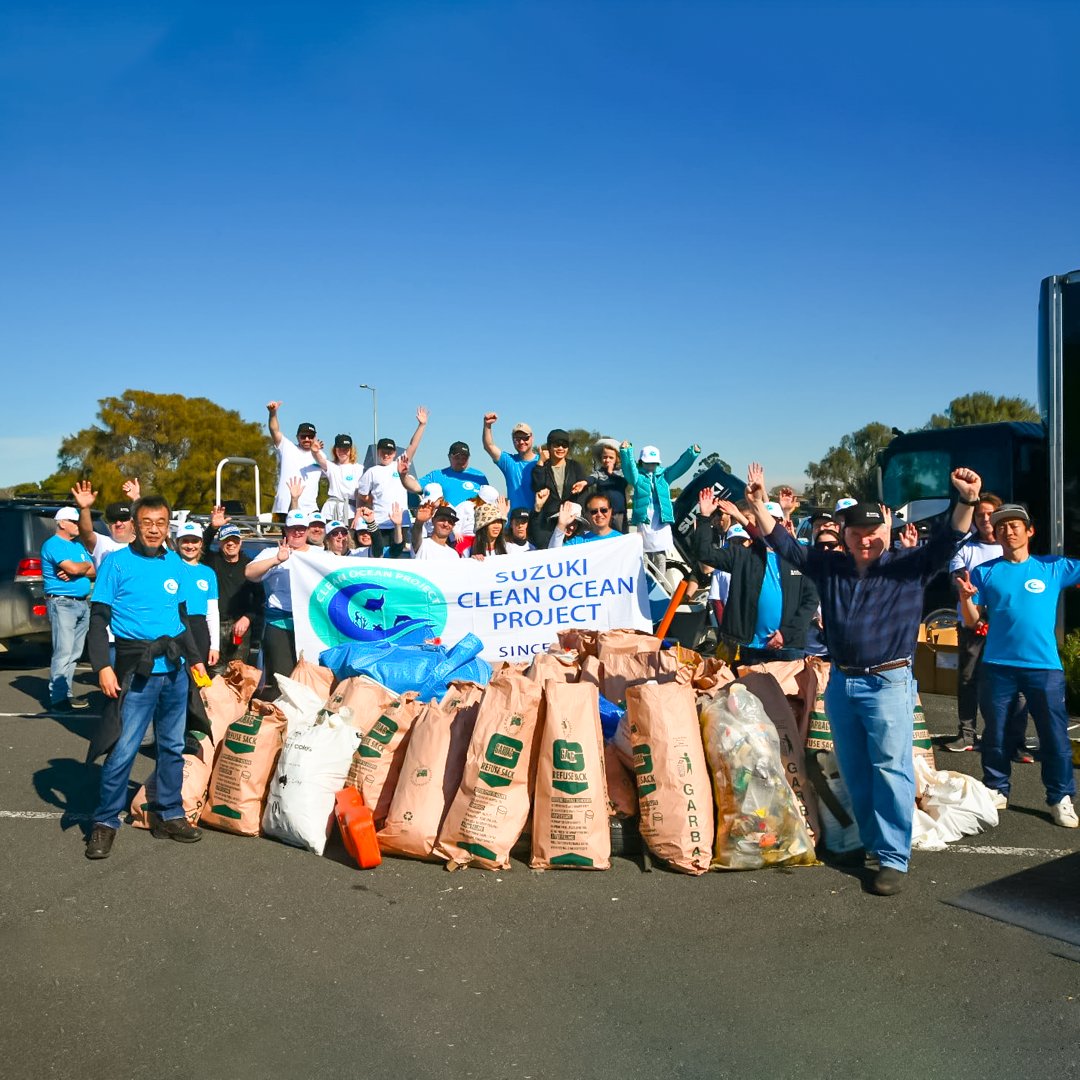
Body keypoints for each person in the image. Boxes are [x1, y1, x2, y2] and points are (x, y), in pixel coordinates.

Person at [743, 461, 980, 896]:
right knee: (856, 770)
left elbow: (949, 539)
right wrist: (759, 506)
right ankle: (873, 845)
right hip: (843, 684)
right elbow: (784, 544)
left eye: (872, 533)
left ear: (887, 530)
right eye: (856, 534)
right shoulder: (831, 567)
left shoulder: (910, 566)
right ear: (845, 535)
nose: (865, 540)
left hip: (888, 683)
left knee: (891, 770)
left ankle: (892, 856)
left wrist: (965, 500)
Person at [84, 494, 208, 859]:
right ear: (135, 525)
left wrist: (196, 660)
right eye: (147, 522)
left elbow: (182, 619)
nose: (154, 529)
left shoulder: (175, 564)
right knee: (123, 749)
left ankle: (168, 814)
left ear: (167, 525)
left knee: (172, 746)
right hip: (134, 668)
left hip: (175, 670)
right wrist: (101, 666)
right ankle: (105, 822)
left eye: (161, 523)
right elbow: (98, 618)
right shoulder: (116, 563)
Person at [956, 503, 1080, 827]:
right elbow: (971, 622)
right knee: (995, 733)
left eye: (1014, 526)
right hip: (998, 666)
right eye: (1001, 527)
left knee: (1054, 736)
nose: (1007, 532)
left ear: (1029, 531)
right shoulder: (985, 572)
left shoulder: (1052, 567)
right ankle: (997, 787)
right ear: (995, 534)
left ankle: (1060, 797)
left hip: (1045, 667)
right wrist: (965, 598)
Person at [946, 493, 1030, 756]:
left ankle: (1015, 741)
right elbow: (959, 580)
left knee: (1015, 684)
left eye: (989, 514)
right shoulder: (965, 548)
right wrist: (978, 614)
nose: (984, 519)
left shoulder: (1013, 546)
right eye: (979, 514)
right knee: (969, 679)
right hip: (972, 626)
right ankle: (967, 734)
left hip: (1007, 629)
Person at [694, 490, 818, 664]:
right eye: (764, 521)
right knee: (746, 692)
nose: (770, 526)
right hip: (750, 648)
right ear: (757, 525)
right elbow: (705, 554)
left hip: (789, 648)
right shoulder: (742, 555)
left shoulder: (800, 558)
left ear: (783, 523)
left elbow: (811, 600)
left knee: (789, 693)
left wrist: (786, 634)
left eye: (775, 521)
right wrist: (705, 517)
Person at [245, 509, 311, 697]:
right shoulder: (272, 552)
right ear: (286, 530)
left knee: (309, 676)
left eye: (302, 528)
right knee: (282, 678)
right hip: (279, 623)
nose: (297, 533)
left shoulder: (319, 554)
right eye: (293, 529)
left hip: (310, 624)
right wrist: (276, 560)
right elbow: (249, 573)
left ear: (307, 531)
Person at [41, 506, 96, 712]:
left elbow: (92, 569)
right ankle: (58, 698)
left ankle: (66, 693)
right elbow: (76, 568)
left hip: (82, 602)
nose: (77, 526)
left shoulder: (78, 545)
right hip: (62, 603)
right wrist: (78, 568)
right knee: (63, 652)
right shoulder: (53, 544)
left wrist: (77, 570)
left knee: (75, 653)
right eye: (73, 522)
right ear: (62, 523)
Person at [620, 441, 701, 576]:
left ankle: (661, 584)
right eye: (648, 462)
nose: (651, 466)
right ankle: (644, 583)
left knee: (660, 556)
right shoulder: (637, 477)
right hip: (644, 518)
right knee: (644, 555)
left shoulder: (665, 475)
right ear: (641, 462)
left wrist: (692, 453)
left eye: (654, 463)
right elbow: (629, 469)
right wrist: (626, 452)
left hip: (661, 518)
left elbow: (679, 467)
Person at [200, 513, 263, 671]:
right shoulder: (212, 561)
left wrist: (247, 618)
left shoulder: (250, 565)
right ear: (220, 543)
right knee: (215, 674)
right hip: (214, 627)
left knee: (238, 675)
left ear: (240, 542)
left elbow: (260, 598)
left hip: (240, 629)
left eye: (234, 539)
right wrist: (213, 527)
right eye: (226, 540)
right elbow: (200, 546)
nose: (230, 544)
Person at [173, 522, 220, 669]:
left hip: (199, 628)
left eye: (194, 541)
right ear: (177, 543)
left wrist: (215, 646)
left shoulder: (208, 573)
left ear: (201, 543)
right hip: (176, 625)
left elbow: (212, 612)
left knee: (197, 679)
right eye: (185, 541)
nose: (190, 546)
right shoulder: (170, 566)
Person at [266, 401, 322, 516]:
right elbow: (274, 430)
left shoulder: (321, 456)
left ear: (315, 437)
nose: (307, 439)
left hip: (310, 510)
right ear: (297, 437)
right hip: (284, 508)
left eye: (310, 436)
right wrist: (273, 413)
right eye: (303, 436)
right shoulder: (287, 447)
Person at [71, 478, 139, 568]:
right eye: (113, 520)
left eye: (122, 519)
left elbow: (148, 522)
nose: (118, 523)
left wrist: (137, 498)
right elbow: (86, 533)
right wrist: (84, 508)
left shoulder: (146, 543)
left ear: (132, 522)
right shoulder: (101, 543)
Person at [481, 414, 539, 511]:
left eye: (525, 438)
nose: (521, 442)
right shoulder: (509, 462)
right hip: (514, 522)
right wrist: (487, 426)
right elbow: (489, 446)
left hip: (536, 521)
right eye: (517, 438)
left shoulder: (542, 461)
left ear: (532, 438)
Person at [415, 441, 489, 507]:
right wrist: (404, 475)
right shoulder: (437, 475)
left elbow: (488, 500)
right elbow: (414, 487)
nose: (461, 461)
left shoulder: (479, 476)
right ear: (449, 457)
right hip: (447, 521)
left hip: (471, 521)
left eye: (464, 458)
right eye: (457, 458)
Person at [315, 434, 362, 522]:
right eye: (340, 449)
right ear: (335, 450)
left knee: (348, 536)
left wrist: (358, 514)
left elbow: (359, 493)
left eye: (346, 449)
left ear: (351, 450)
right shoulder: (332, 466)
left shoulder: (359, 468)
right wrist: (315, 451)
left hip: (350, 511)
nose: (342, 452)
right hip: (330, 510)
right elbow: (320, 460)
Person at [589, 438, 628, 533]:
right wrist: (584, 482)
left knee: (621, 536)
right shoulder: (599, 473)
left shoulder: (622, 472)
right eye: (605, 457)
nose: (607, 460)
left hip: (619, 513)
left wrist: (611, 473)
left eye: (611, 458)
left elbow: (624, 483)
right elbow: (591, 479)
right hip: (603, 513)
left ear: (617, 459)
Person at [550, 495, 622, 547]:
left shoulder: (622, 540)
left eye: (604, 510)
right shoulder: (577, 542)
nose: (599, 514)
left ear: (610, 511)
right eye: (594, 511)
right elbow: (554, 557)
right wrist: (561, 525)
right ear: (587, 514)